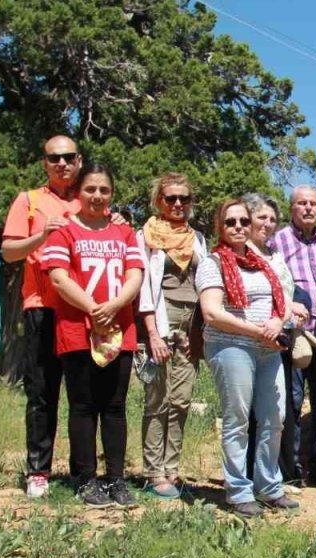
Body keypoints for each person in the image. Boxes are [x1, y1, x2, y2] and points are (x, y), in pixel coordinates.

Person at [41, 164, 144, 508]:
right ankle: (85, 479)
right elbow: (57, 277)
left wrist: (113, 306)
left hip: (120, 329)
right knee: (83, 406)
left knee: (114, 407)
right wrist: (93, 308)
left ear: (111, 194)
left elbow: (134, 276)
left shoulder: (125, 233)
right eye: (90, 190)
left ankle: (116, 479)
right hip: (76, 330)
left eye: (104, 190)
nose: (97, 196)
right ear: (77, 194)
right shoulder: (64, 232)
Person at [196, 199, 299, 517]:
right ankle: (239, 491)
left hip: (268, 350)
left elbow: (284, 299)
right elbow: (212, 312)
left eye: (243, 221)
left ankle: (268, 487)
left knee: (274, 419)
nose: (239, 227)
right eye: (231, 222)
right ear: (220, 227)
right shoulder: (212, 263)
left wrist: (278, 322)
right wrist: (256, 330)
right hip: (231, 348)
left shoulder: (263, 262)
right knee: (237, 419)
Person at [0, 135, 83, 499]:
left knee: (84, 395)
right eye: (54, 158)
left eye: (68, 157)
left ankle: (86, 473)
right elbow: (7, 252)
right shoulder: (28, 201)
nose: (61, 164)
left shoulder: (91, 199)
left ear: (79, 161)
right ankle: (39, 471)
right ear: (44, 163)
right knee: (42, 392)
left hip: (81, 309)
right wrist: (39, 236)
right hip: (41, 306)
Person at [136, 172, 207, 499]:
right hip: (161, 323)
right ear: (158, 201)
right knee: (158, 400)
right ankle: (153, 472)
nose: (178, 204)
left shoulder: (198, 240)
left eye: (184, 198)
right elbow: (143, 289)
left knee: (181, 399)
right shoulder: (145, 236)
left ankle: (172, 468)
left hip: (191, 326)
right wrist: (151, 332)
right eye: (171, 198)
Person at [267, 185, 316, 487]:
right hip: (294, 335)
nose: (308, 208)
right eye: (301, 203)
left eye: (313, 203)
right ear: (292, 207)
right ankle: (291, 470)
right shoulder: (277, 240)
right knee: (292, 403)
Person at [241, 193, 311, 485]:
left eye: (272, 219)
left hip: (278, 341)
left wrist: (295, 302)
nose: (268, 224)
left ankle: (268, 476)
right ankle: (245, 476)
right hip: (249, 340)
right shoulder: (239, 253)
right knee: (248, 415)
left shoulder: (275, 256)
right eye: (262, 218)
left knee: (274, 413)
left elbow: (286, 291)